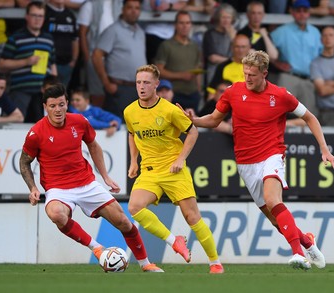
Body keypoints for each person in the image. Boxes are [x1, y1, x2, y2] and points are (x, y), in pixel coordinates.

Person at [179, 50, 334, 270]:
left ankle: (298, 254)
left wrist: (324, 149)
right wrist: (194, 120)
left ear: (265, 73)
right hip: (246, 163)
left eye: (252, 75)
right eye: (245, 73)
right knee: (276, 220)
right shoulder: (233, 92)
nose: (247, 78)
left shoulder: (281, 95)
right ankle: (306, 240)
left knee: (274, 200)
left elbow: (309, 117)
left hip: (272, 155)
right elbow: (215, 120)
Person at [19, 83, 163, 273]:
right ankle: (96, 248)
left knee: (124, 222)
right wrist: (33, 188)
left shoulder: (79, 121)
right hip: (58, 189)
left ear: (67, 103)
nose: (58, 110)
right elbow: (24, 162)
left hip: (86, 183)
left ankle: (146, 264)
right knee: (56, 214)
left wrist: (105, 177)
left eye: (61, 104)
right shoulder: (36, 133)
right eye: (53, 106)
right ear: (45, 107)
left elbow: (93, 146)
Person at [124, 64, 224, 274]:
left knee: (192, 217)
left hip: (173, 170)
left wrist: (180, 159)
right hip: (149, 171)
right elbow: (132, 134)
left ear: (156, 85)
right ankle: (174, 241)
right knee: (134, 207)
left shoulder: (169, 109)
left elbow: (193, 132)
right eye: (138, 82)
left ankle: (215, 262)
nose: (141, 87)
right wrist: (133, 161)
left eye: (146, 83)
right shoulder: (129, 111)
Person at [0, 1, 58, 118]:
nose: (37, 19)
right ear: (27, 16)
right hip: (20, 90)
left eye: (40, 16)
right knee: (17, 121)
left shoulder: (49, 39)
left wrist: (55, 87)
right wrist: (26, 61)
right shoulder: (15, 37)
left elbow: (53, 65)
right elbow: (1, 64)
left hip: (44, 92)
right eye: (34, 15)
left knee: (45, 126)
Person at [92, 0, 146, 120]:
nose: (133, 11)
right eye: (130, 8)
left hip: (138, 89)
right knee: (117, 127)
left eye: (137, 8)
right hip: (119, 88)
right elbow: (96, 55)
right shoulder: (113, 30)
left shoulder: (141, 32)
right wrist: (106, 83)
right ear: (123, 10)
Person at [270, 0, 322, 116]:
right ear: (292, 12)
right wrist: (276, 63)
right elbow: (264, 48)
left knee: (309, 117)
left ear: (309, 13)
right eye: (298, 11)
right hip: (289, 78)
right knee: (280, 114)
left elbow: (320, 55)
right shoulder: (282, 31)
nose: (302, 14)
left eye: (305, 11)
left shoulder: (315, 32)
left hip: (309, 80)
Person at [154, 10, 202, 113]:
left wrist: (199, 91)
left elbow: (198, 71)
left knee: (192, 126)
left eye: (187, 23)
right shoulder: (166, 45)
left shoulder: (195, 46)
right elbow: (159, 71)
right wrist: (182, 75)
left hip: (193, 95)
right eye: (181, 23)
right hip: (174, 95)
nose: (185, 26)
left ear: (191, 25)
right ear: (175, 25)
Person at [77, 0, 123, 107]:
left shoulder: (119, 4)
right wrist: (87, 57)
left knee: (116, 93)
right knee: (97, 94)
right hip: (96, 57)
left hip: (115, 58)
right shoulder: (90, 5)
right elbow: (82, 33)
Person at [43, 0, 79, 87]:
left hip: (67, 64)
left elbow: (75, 39)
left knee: (61, 95)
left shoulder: (70, 14)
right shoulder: (43, 12)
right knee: (47, 96)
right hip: (48, 64)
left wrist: (74, 60)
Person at [202, 3, 236, 86]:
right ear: (218, 18)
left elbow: (241, 52)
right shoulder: (209, 34)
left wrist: (233, 38)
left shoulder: (235, 35)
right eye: (223, 17)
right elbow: (213, 58)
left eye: (228, 17)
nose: (226, 20)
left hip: (232, 74)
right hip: (214, 74)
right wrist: (232, 60)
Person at [206, 34, 251, 99]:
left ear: (249, 48)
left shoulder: (256, 67)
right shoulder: (222, 67)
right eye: (237, 47)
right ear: (232, 48)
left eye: (243, 47)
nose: (240, 50)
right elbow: (212, 93)